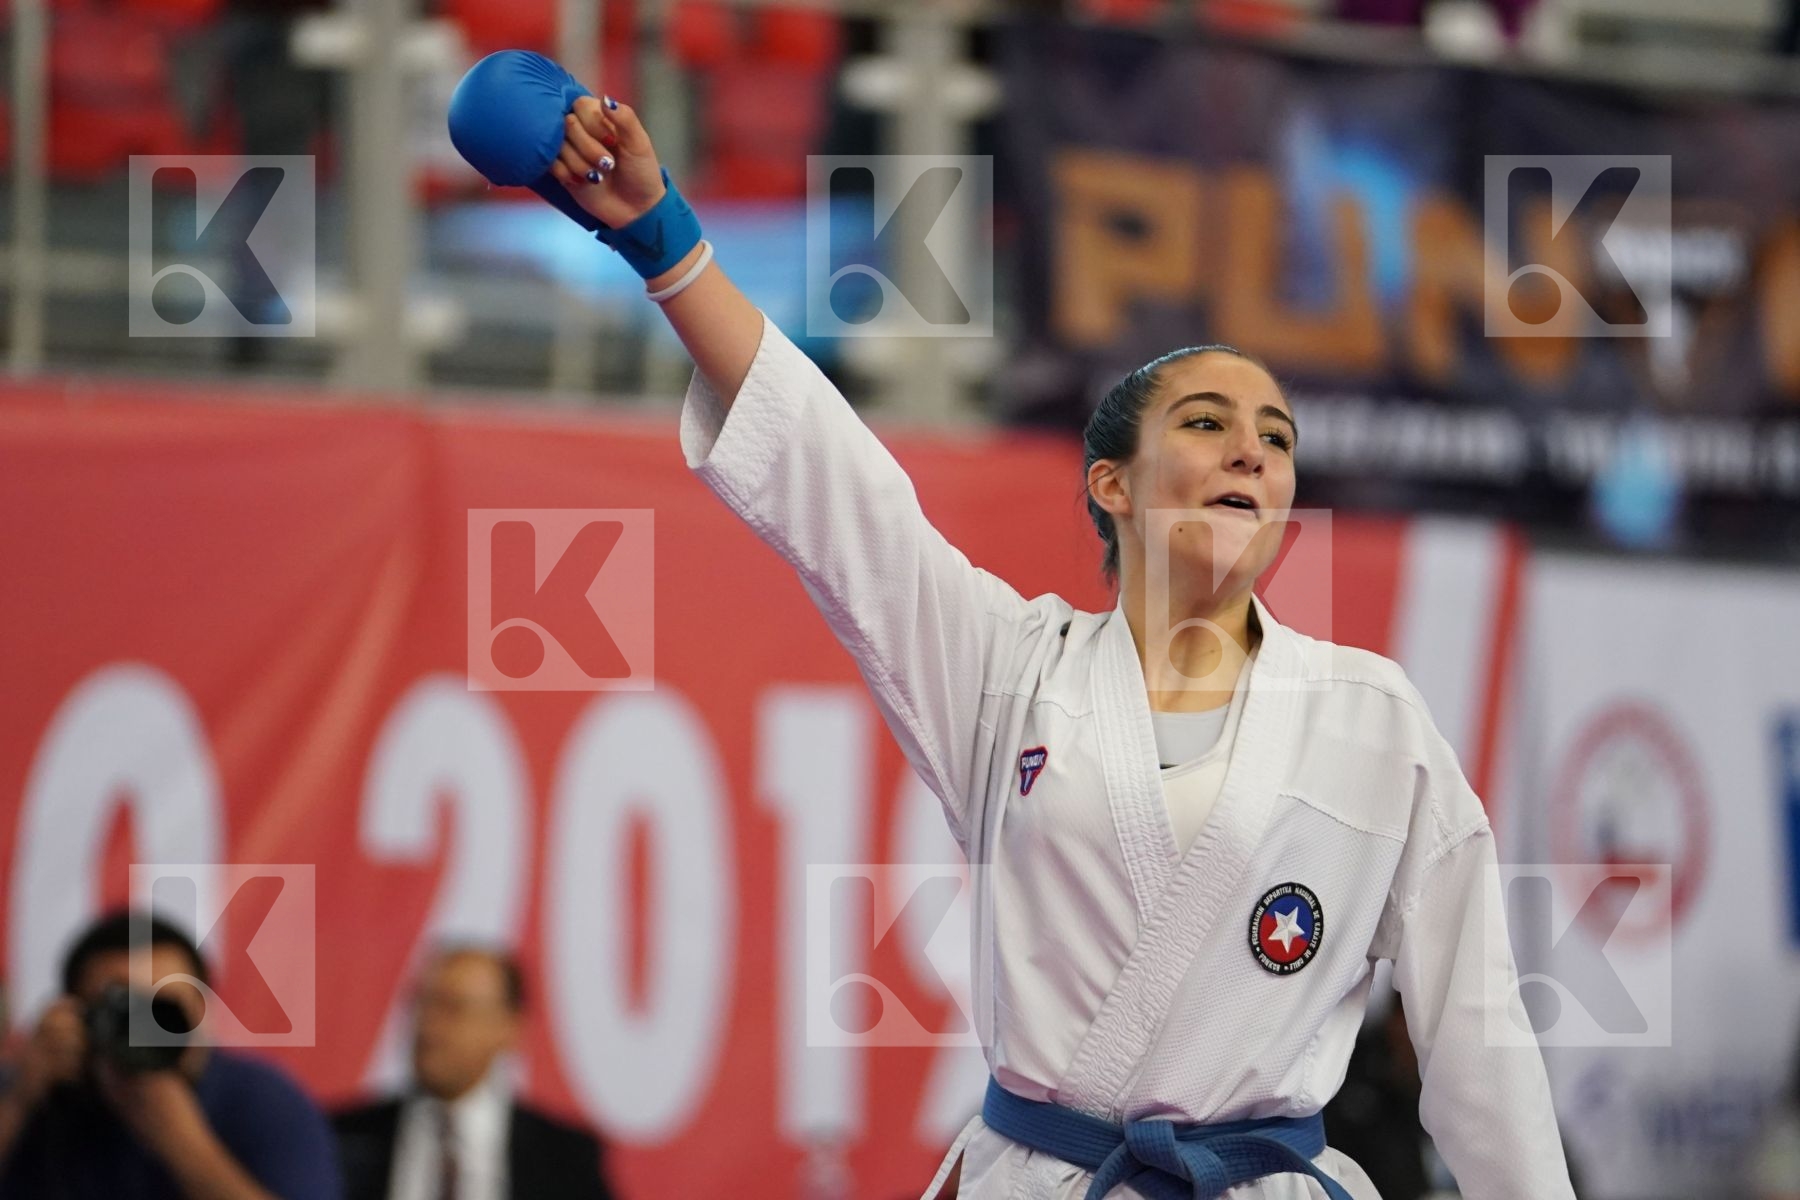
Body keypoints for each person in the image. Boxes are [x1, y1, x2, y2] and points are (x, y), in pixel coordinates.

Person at [447, 51, 1577, 1200]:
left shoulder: (1373, 721)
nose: (1252, 450)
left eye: (1276, 439)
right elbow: (835, 487)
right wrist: (667, 245)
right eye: (1206, 422)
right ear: (1111, 484)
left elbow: (1478, 1035)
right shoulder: (1010, 670)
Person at [0, 910, 341, 1200]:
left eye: (163, 1009)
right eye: (123, 1009)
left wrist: (181, 1141)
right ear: (76, 1015)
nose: (145, 1030)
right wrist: (20, 1099)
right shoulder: (36, 1092)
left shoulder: (262, 1099)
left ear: (202, 1009)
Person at [332, 945, 615, 1200]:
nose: (429, 1026)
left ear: (509, 1028)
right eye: (422, 1003)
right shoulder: (341, 1140)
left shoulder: (563, 1157)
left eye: (454, 1008)